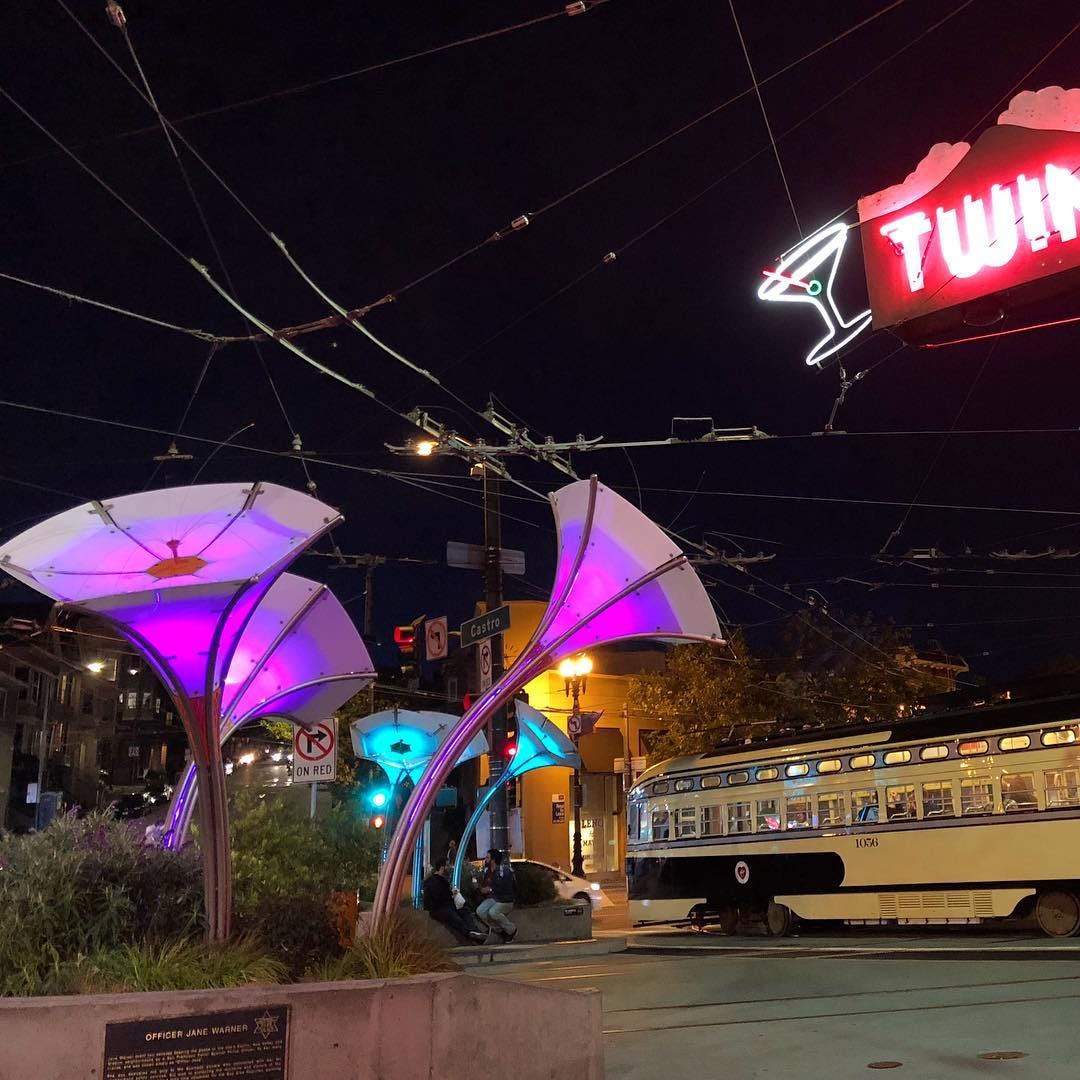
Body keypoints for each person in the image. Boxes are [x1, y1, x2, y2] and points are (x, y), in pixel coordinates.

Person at [422, 857, 486, 943]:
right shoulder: (432, 882)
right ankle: (469, 934)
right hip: (438, 909)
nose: (450, 867)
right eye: (447, 865)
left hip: (448, 906)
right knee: (454, 917)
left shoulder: (444, 881)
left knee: (464, 911)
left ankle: (475, 931)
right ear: (442, 867)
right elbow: (435, 899)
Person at [476, 849, 517, 943]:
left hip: (505, 900)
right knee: (480, 911)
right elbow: (485, 885)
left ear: (493, 860)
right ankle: (499, 929)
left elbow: (506, 887)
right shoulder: (487, 871)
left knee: (493, 912)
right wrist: (481, 889)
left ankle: (511, 930)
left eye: (487, 858)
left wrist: (490, 889)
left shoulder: (504, 871)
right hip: (493, 898)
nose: (485, 859)